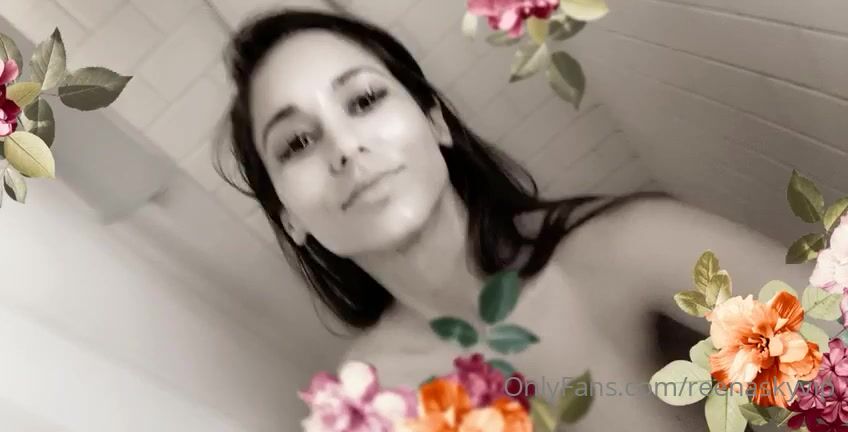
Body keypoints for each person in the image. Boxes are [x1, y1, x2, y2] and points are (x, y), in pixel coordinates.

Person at [217, 9, 812, 430]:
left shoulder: (636, 248)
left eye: (365, 100)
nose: (344, 147)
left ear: (435, 122)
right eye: (296, 143)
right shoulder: (370, 401)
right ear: (289, 218)